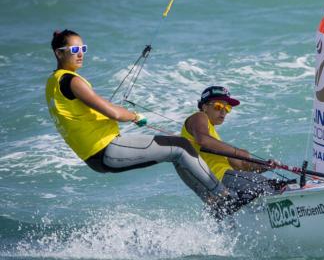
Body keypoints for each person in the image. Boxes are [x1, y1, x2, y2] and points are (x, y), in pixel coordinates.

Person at [45, 29, 235, 214]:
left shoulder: (53, 82)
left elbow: (82, 115)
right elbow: (114, 113)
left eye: (83, 49)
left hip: (95, 157)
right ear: (59, 53)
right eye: (75, 50)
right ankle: (224, 197)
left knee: (176, 154)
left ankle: (215, 203)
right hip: (106, 149)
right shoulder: (72, 81)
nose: (80, 55)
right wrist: (135, 116)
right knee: (182, 146)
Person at [181, 86, 276, 211]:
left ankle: (230, 207)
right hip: (220, 178)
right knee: (270, 185)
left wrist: (263, 166)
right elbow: (202, 140)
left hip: (219, 187)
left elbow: (241, 165)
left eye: (227, 108)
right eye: (218, 106)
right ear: (204, 107)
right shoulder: (199, 117)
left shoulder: (214, 137)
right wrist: (237, 152)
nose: (223, 112)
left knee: (267, 186)